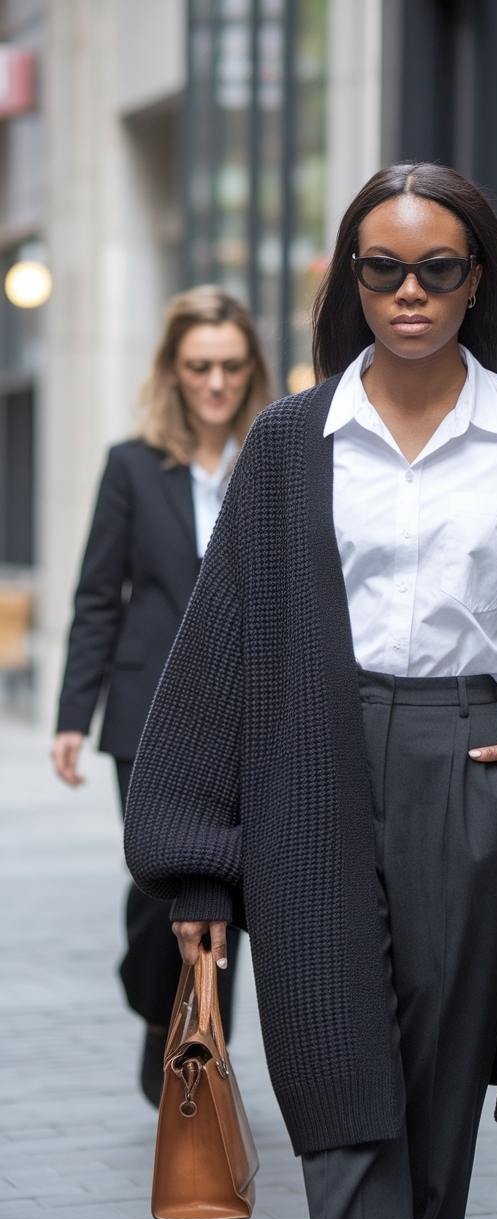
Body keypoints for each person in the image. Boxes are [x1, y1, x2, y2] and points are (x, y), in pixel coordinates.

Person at [124, 166, 497, 1219]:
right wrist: (197, 862)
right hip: (307, 768)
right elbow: (222, 646)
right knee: (334, 1078)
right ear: (352, 282)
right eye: (383, 268)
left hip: (467, 769)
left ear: (477, 284)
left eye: (437, 268)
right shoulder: (289, 442)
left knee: (434, 1091)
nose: (408, 291)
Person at [52, 286, 271, 1106]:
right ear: (173, 372)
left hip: (248, 713)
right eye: (198, 367)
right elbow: (96, 595)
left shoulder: (275, 457)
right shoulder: (132, 465)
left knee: (230, 885)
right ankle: (157, 1014)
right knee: (162, 891)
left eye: (230, 367)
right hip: (148, 712)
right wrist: (75, 716)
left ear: (250, 370)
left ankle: (206, 1043)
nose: (215, 383)